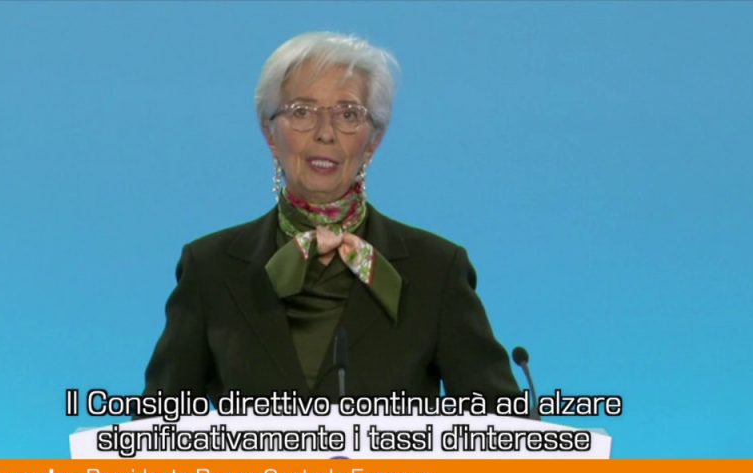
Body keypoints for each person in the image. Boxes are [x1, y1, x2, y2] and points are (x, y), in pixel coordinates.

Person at [144, 32, 521, 406]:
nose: (325, 133)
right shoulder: (209, 269)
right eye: (301, 112)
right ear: (270, 133)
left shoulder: (437, 270)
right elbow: (156, 428)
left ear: (373, 141)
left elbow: (504, 426)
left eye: (348, 115)